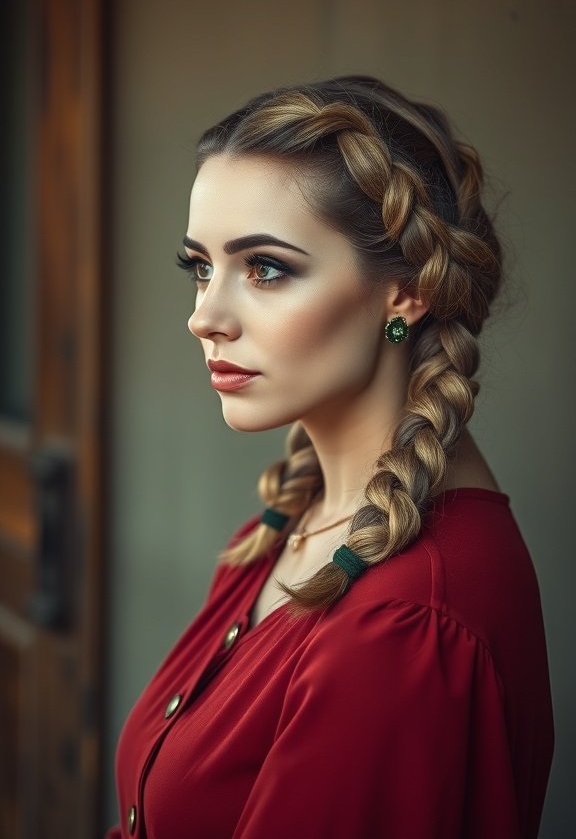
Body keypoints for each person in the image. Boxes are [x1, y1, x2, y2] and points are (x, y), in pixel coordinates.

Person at [106, 75, 554, 838]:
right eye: (201, 267)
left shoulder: (405, 626)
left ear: (406, 289)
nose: (203, 317)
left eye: (266, 269)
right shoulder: (298, 521)